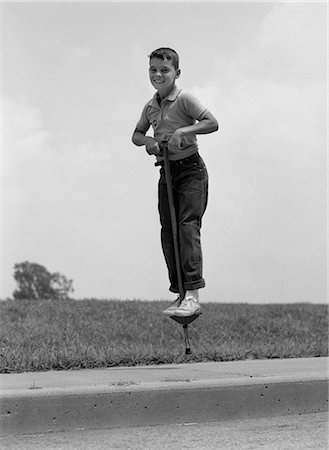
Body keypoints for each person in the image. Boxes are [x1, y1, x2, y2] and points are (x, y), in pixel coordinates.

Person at [132, 47, 218, 317]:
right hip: (166, 171)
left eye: (164, 70)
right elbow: (136, 134)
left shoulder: (185, 99)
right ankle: (180, 294)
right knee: (169, 232)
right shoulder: (150, 106)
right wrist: (148, 141)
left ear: (176, 73)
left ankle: (192, 295)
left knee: (187, 227)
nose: (158, 74)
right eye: (153, 70)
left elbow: (212, 123)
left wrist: (184, 130)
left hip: (191, 169)